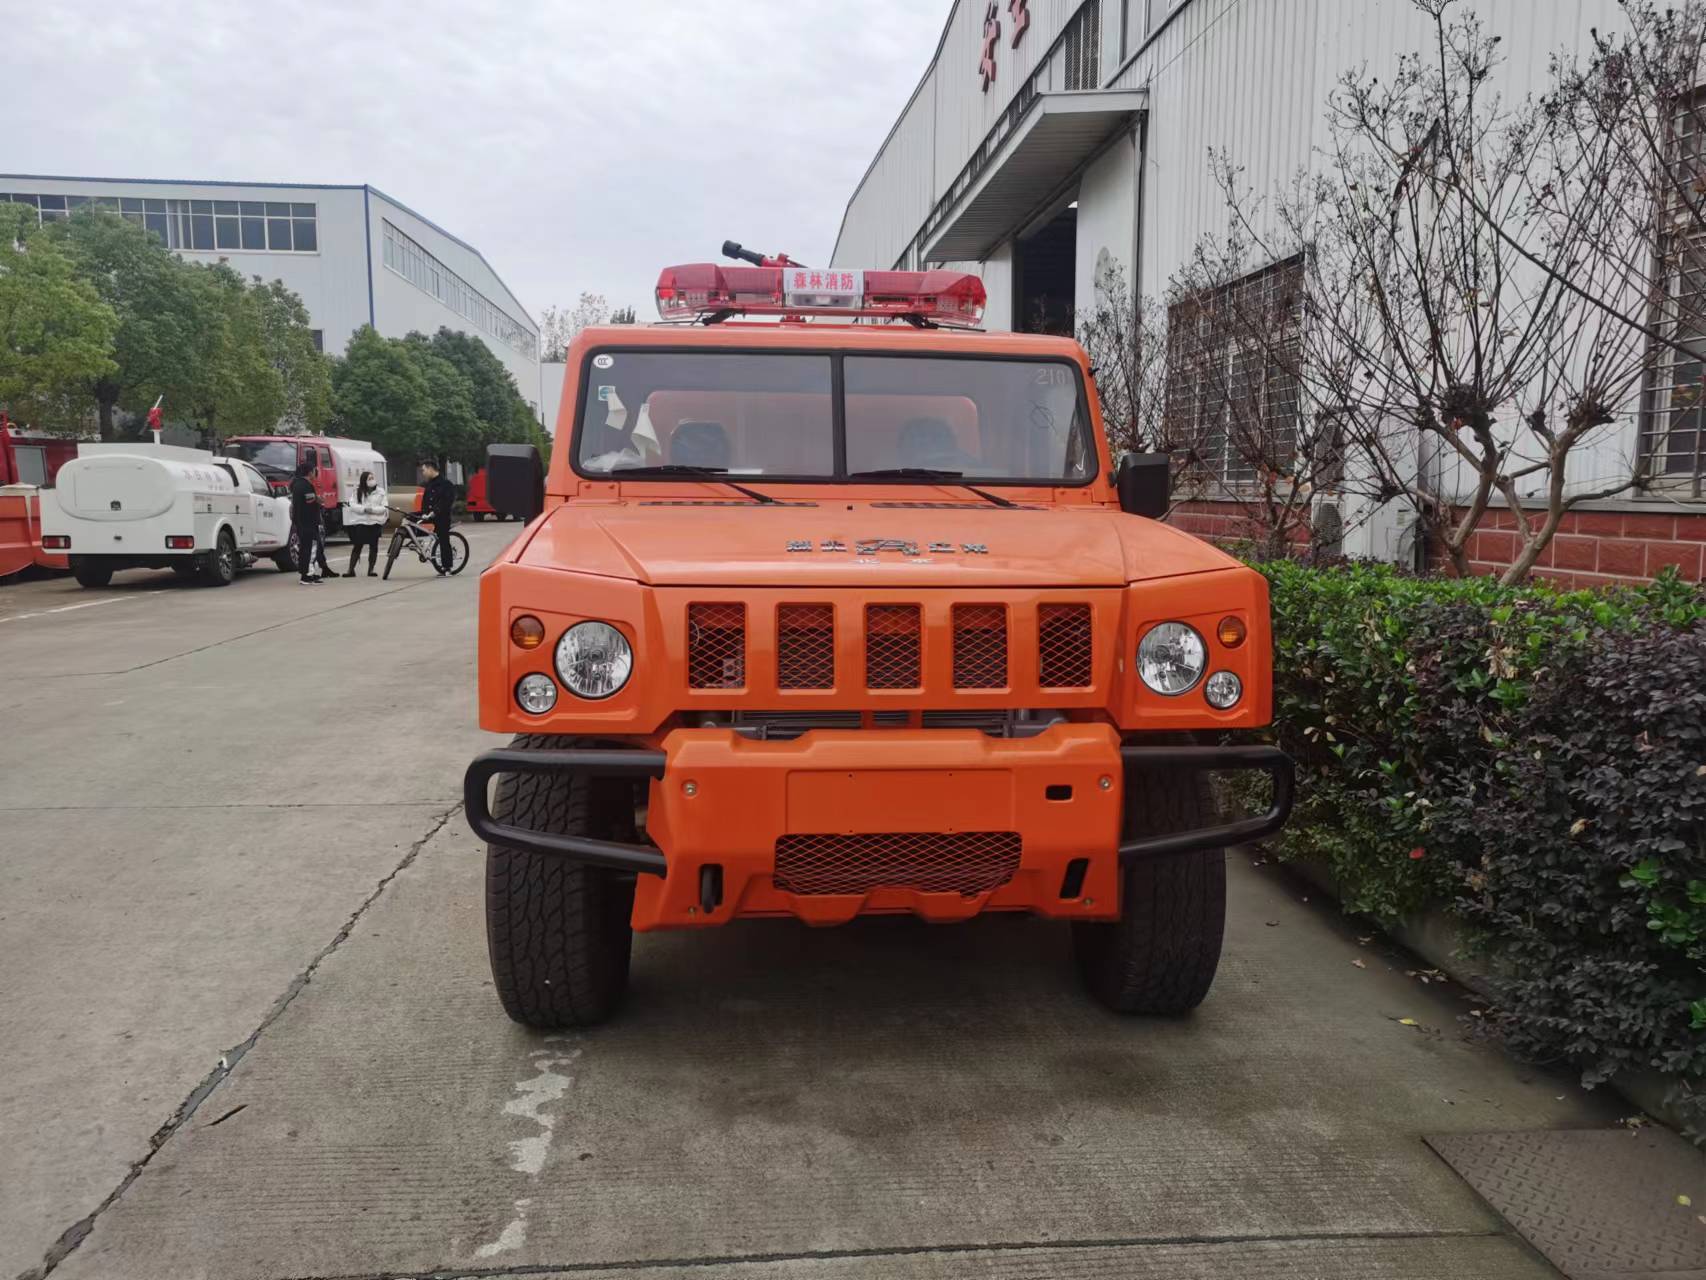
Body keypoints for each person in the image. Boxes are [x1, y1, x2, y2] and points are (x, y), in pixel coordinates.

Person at [288, 459, 331, 585]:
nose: (315, 473)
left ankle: (307, 573)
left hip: (301, 522)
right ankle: (306, 575)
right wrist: (319, 500)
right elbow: (310, 503)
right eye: (314, 471)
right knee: (310, 549)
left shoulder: (297, 484)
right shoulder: (306, 485)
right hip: (308, 523)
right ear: (310, 472)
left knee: (305, 549)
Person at [342, 470, 387, 577]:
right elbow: (352, 505)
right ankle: (350, 570)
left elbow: (384, 507)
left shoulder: (380, 491)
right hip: (361, 522)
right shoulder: (357, 491)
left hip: (375, 522)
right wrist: (364, 509)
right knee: (357, 545)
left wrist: (372, 510)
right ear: (364, 481)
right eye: (369, 479)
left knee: (373, 546)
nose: (372, 480)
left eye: (372, 478)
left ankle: (371, 570)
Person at [417, 459, 457, 575]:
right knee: (409, 518)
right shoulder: (428, 484)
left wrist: (435, 511)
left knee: (443, 539)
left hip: (441, 516)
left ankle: (447, 567)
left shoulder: (446, 484)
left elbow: (446, 501)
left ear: (430, 469)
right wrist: (424, 512)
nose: (423, 473)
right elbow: (425, 501)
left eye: (423, 470)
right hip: (428, 514)